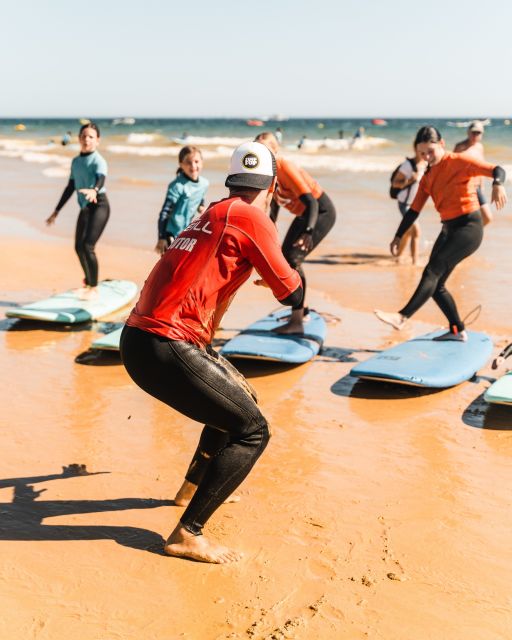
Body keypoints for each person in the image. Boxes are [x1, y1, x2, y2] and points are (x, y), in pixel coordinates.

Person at [120, 141, 302, 563]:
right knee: (253, 430)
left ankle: (190, 491)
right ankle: (188, 533)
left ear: (232, 180)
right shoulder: (253, 217)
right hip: (166, 342)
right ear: (272, 185)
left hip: (139, 340)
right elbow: (292, 294)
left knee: (234, 404)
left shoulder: (215, 211)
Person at [375, 126, 507, 341]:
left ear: (442, 144)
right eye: (422, 153)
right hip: (448, 229)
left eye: (431, 151)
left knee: (431, 273)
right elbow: (414, 210)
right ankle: (457, 330)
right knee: (436, 286)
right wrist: (398, 236)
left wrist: (498, 185)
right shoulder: (428, 177)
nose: (427, 157)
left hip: (469, 228)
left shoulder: (460, 161)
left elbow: (497, 169)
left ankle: (402, 316)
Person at [255, 131, 336, 334]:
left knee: (293, 259)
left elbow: (312, 202)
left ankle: (297, 321)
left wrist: (308, 232)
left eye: (266, 150)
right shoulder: (267, 175)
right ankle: (299, 308)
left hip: (320, 213)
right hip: (304, 215)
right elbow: (273, 210)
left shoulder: (284, 167)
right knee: (283, 258)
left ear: (275, 150)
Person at [46, 123, 109, 298]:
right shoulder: (76, 162)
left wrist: (94, 190)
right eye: (83, 136)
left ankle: (94, 287)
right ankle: (88, 282)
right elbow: (70, 187)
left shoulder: (99, 160)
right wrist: (56, 211)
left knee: (88, 245)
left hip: (99, 205)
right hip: (85, 207)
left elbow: (101, 178)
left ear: (97, 141)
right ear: (79, 139)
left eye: (91, 137)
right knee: (78, 247)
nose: (86, 139)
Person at [155, 146, 208, 255]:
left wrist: (201, 206)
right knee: (168, 266)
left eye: (196, 161)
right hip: (171, 233)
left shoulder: (204, 183)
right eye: (188, 162)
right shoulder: (177, 186)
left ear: (202, 162)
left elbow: (200, 197)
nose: (193, 166)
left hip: (188, 233)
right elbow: (165, 212)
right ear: (181, 164)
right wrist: (162, 237)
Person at [390, 144, 427, 265]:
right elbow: (395, 184)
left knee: (407, 231)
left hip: (415, 205)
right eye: (421, 150)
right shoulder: (408, 165)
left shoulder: (426, 165)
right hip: (404, 204)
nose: (424, 153)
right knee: (416, 230)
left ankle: (398, 256)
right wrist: (410, 180)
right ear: (415, 148)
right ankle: (415, 263)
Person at [454, 120, 493, 225]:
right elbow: (452, 168)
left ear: (482, 134)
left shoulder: (480, 147)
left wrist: (482, 186)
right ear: (468, 132)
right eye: (473, 132)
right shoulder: (460, 147)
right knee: (463, 218)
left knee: (487, 217)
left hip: (477, 188)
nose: (475, 135)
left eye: (478, 133)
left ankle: (473, 237)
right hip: (464, 188)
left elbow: (481, 167)